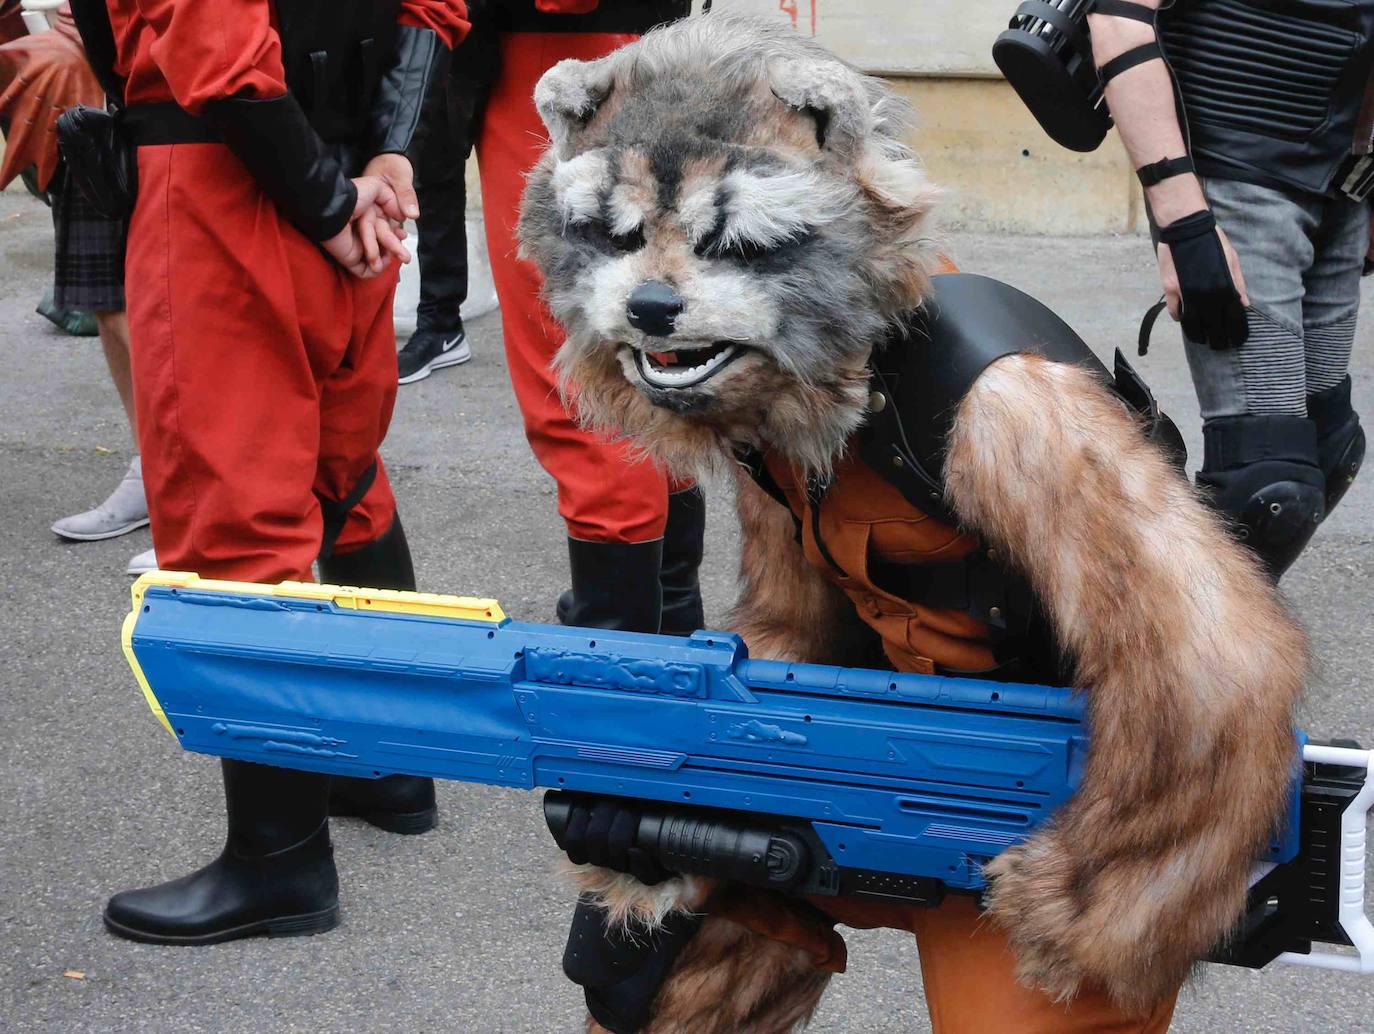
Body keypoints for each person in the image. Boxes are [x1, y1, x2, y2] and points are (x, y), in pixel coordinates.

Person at [83, 0, 468, 945]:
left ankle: (277, 862)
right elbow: (431, 13)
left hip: (224, 183)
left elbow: (218, 52)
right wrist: (385, 162)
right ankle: (387, 766)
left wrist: (332, 203)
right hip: (340, 175)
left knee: (236, 521)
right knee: (342, 479)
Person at [1087, 0, 1373, 578]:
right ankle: (1159, 649)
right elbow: (1118, 15)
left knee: (1326, 443)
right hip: (1236, 172)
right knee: (1267, 485)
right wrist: (1184, 222)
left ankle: (1200, 623)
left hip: (1342, 181)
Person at [476, 0, 700, 640]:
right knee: (660, 356)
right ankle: (669, 623)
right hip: (648, 52)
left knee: (585, 381)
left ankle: (622, 646)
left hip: (562, 60)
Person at [0, 5, 154, 572]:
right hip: (83, 90)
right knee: (107, 302)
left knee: (172, 308)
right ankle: (152, 476)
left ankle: (198, 498)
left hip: (173, 93)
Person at [398, 0, 499, 384]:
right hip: (445, 28)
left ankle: (441, 324)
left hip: (506, 28)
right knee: (436, 176)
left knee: (538, 173)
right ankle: (440, 325)